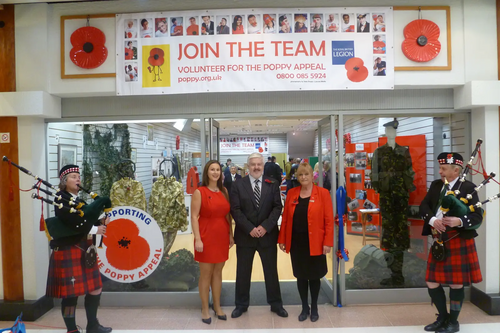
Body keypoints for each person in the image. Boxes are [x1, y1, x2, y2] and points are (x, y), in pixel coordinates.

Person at [419, 153, 483, 333]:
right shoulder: (436, 185)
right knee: (431, 281)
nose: (440, 172)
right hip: (439, 239)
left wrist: (459, 221)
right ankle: (443, 317)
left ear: (456, 170)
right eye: (440, 168)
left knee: (456, 283)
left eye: (444, 169)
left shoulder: (469, 188)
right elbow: (424, 206)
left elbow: (477, 216)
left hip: (458, 239)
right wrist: (432, 220)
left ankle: (453, 322)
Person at [46, 164, 112, 333]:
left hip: (83, 248)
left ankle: (93, 325)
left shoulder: (78, 200)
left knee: (96, 288)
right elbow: (73, 222)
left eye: (78, 176)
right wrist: (95, 229)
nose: (78, 179)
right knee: (71, 294)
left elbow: (86, 219)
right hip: (69, 249)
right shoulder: (61, 198)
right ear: (64, 181)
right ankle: (71, 330)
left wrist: (100, 222)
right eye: (73, 177)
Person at [230, 153, 287, 318]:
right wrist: (250, 228)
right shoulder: (238, 185)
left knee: (271, 272)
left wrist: (265, 226)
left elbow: (277, 208)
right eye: (253, 164)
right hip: (245, 236)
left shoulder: (273, 184)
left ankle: (276, 304)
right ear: (248, 166)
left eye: (259, 164)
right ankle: (241, 305)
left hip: (267, 236)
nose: (256, 167)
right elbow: (235, 209)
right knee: (242, 272)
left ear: (263, 166)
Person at [278, 162, 333, 322]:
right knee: (301, 276)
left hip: (316, 241)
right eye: (300, 175)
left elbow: (329, 220)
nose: (303, 177)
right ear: (297, 176)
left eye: (306, 174)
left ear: (312, 176)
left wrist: (327, 242)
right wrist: (282, 239)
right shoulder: (292, 193)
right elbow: (286, 218)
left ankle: (314, 307)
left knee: (314, 276)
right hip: (297, 243)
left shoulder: (322, 194)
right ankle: (304, 307)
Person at [371, 119, 414, 286]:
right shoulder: (379, 152)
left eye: (394, 131)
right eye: (389, 131)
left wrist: (406, 189)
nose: (391, 134)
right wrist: (380, 189)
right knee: (388, 233)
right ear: (386, 133)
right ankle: (392, 272)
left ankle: (400, 272)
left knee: (401, 233)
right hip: (387, 197)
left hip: (401, 197)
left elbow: (409, 171)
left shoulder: (404, 151)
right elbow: (374, 173)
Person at [191, 160, 234, 324]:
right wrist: (197, 239)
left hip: (221, 235)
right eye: (212, 170)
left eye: (218, 170)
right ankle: (204, 308)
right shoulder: (199, 192)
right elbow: (194, 216)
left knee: (218, 272)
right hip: (206, 236)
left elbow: (227, 215)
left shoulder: (224, 191)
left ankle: (217, 306)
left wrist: (231, 234)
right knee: (206, 274)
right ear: (207, 172)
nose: (215, 172)